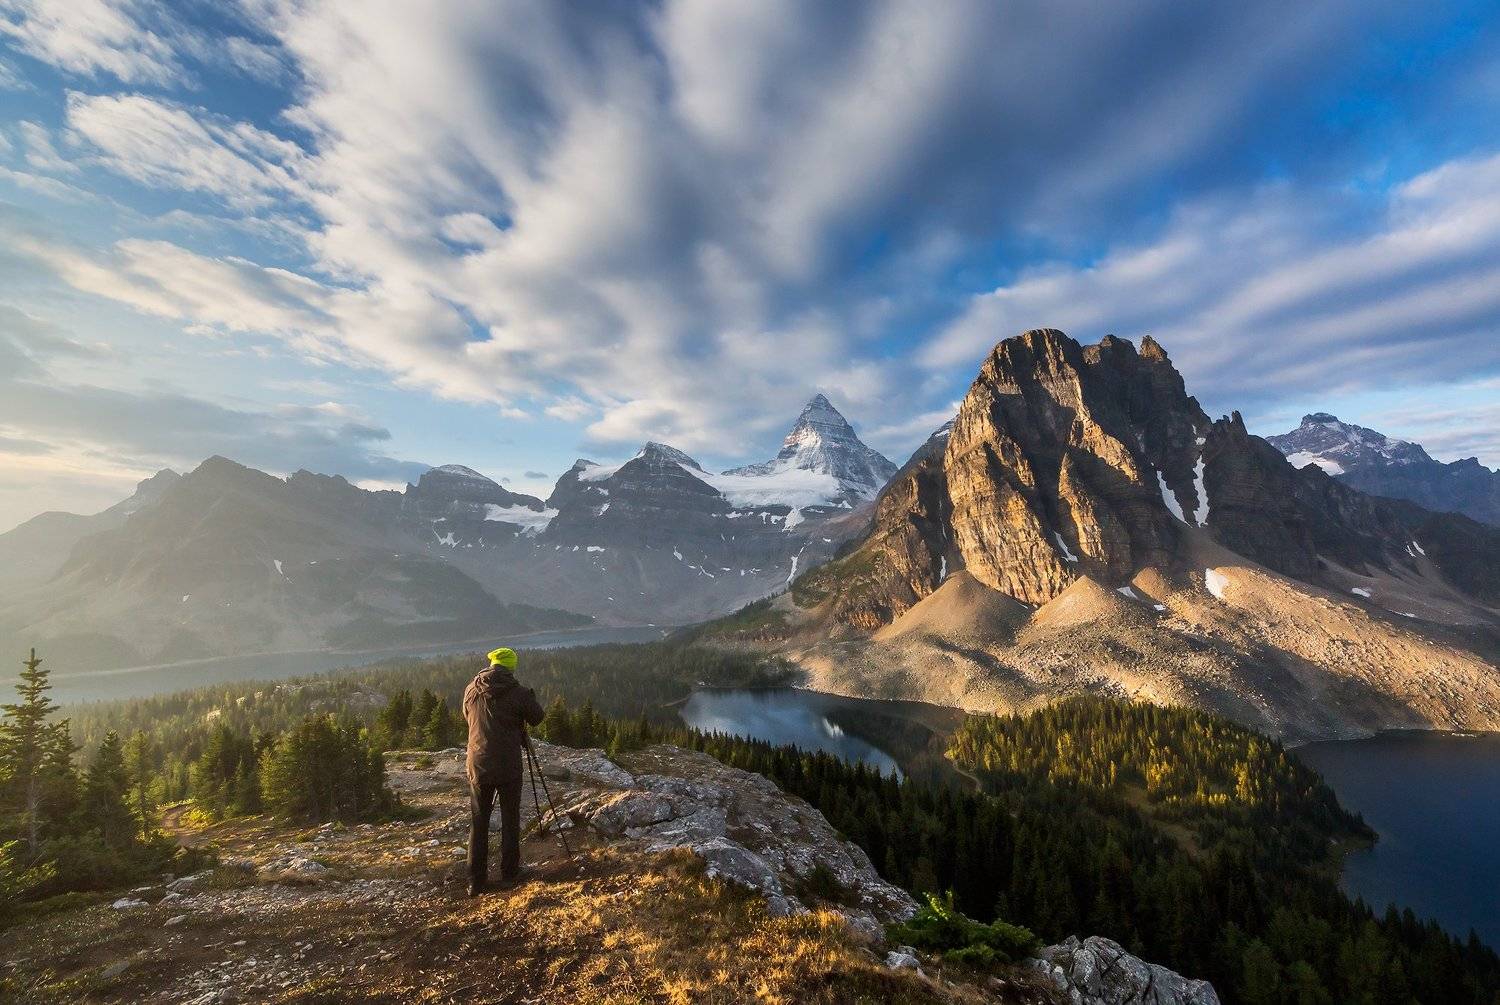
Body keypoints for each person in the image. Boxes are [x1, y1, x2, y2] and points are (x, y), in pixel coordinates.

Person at [462, 646, 544, 896]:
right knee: (510, 818)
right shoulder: (518, 692)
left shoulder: (471, 689)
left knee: (479, 821)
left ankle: (475, 880)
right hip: (507, 764)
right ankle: (510, 872)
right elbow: (537, 717)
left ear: (492, 664)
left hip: (478, 763)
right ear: (511, 667)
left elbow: (466, 716)